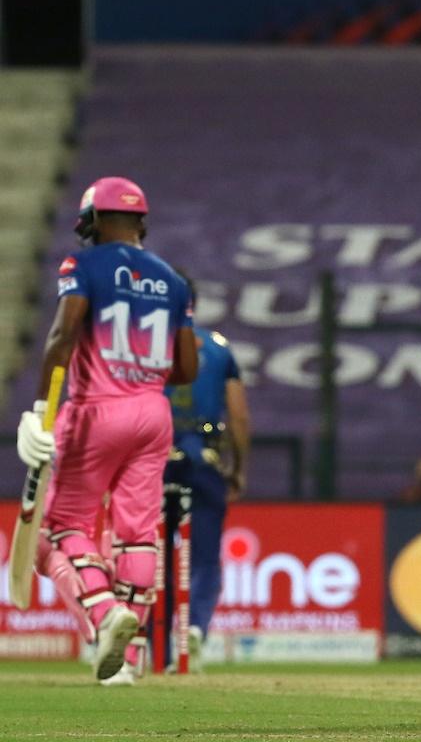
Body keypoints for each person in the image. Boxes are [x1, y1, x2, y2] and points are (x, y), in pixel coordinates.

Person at [14, 176, 197, 683]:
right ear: (140, 221)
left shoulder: (84, 264)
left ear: (94, 219)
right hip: (154, 413)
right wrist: (145, 367)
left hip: (96, 409)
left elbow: (62, 335)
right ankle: (129, 657)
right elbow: (186, 369)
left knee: (58, 530)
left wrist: (41, 409)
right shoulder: (173, 280)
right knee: (137, 536)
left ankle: (101, 615)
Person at [146, 273, 249, 674]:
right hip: (203, 462)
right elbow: (238, 416)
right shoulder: (220, 349)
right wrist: (237, 469)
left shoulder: (143, 346)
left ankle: (159, 646)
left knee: (155, 556)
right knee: (204, 559)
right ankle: (195, 630)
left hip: (153, 462)